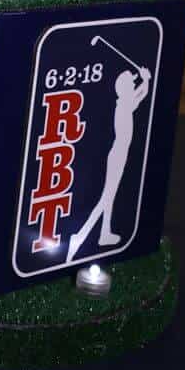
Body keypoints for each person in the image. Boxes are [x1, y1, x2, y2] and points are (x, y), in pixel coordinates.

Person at [66, 66, 151, 262]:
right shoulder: (124, 103)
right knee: (106, 198)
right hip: (118, 154)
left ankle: (105, 233)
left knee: (109, 198)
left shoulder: (124, 100)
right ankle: (79, 236)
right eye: (131, 82)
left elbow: (139, 92)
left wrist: (142, 78)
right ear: (125, 88)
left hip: (119, 154)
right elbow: (142, 94)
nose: (133, 83)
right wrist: (145, 80)